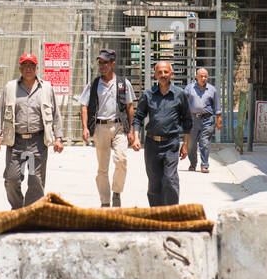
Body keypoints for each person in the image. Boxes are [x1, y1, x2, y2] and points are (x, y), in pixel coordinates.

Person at [0, 53, 63, 209]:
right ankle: (17, 208)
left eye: (32, 66)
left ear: (37, 68)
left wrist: (58, 138)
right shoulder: (10, 88)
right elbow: (0, 112)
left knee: (36, 180)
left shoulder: (46, 88)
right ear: (20, 68)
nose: (28, 69)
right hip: (16, 141)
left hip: (38, 141)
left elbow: (56, 114)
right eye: (25, 66)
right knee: (12, 179)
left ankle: (31, 211)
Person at [80, 49, 137, 207]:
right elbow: (84, 106)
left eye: (105, 62)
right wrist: (85, 127)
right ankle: (105, 201)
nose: (102, 65)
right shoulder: (94, 84)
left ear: (113, 64)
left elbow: (130, 106)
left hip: (119, 126)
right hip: (100, 128)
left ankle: (117, 192)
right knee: (102, 167)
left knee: (121, 160)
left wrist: (131, 130)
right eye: (100, 62)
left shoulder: (123, 83)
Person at [132, 60, 193, 206]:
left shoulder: (180, 95)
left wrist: (185, 145)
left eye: (166, 72)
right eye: (160, 72)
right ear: (155, 75)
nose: (163, 75)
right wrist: (135, 137)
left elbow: (187, 121)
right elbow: (138, 117)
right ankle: (156, 215)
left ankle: (172, 214)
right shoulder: (148, 94)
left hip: (171, 144)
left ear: (171, 74)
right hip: (152, 145)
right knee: (154, 183)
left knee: (170, 180)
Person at [185, 66, 220, 174]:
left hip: (207, 119)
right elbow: (183, 103)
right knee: (191, 144)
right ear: (196, 77)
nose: (204, 78)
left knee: (204, 142)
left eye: (205, 76)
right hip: (192, 119)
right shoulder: (189, 88)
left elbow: (217, 106)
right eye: (201, 76)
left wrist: (219, 119)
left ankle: (204, 165)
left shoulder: (212, 89)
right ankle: (193, 163)